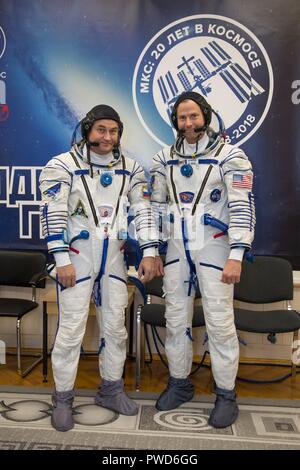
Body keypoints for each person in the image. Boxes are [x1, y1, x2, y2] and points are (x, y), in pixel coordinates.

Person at [40, 105, 157, 431]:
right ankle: (62, 397)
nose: (108, 137)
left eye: (114, 131)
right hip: (77, 259)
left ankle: (110, 389)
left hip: (114, 261)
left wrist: (148, 250)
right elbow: (54, 214)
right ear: (87, 129)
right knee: (71, 331)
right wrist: (62, 260)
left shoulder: (132, 169)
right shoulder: (62, 166)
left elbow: (144, 211)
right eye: (101, 129)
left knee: (115, 330)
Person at [150, 91, 255, 428]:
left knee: (220, 324)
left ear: (206, 116)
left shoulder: (232, 156)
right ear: (175, 122)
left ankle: (226, 394)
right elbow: (152, 209)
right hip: (178, 250)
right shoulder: (162, 159)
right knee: (176, 319)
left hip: (215, 249)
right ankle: (180, 384)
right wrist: (152, 249)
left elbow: (242, 207)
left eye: (193, 116)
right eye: (182, 118)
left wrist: (237, 255)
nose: (188, 123)